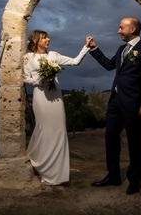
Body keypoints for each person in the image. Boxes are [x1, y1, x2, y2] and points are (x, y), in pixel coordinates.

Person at [86, 16, 141, 195]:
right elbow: (109, 65)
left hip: (134, 104)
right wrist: (94, 48)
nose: (118, 31)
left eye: (121, 28)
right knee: (110, 138)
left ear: (132, 29)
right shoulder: (121, 49)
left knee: (134, 142)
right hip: (115, 102)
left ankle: (134, 181)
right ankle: (113, 176)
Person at [23, 30, 90, 185]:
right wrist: (36, 80)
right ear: (36, 41)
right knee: (43, 129)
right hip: (40, 96)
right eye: (44, 37)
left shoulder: (53, 55)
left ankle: (56, 174)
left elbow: (75, 61)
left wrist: (85, 47)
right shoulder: (28, 58)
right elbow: (25, 77)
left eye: (47, 37)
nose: (48, 39)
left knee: (59, 130)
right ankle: (39, 163)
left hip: (56, 97)